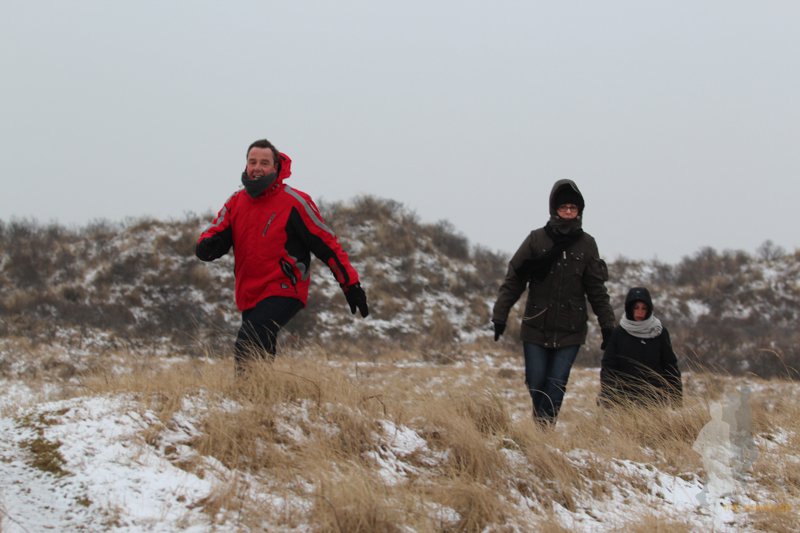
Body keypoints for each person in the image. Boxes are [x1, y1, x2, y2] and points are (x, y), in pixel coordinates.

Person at [196, 139, 369, 373]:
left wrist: (350, 285)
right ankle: (263, 392)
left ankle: (244, 392)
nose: (257, 168)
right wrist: (207, 246)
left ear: (276, 167)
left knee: (248, 341)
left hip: (285, 287)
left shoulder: (295, 202)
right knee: (260, 353)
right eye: (252, 162)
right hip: (249, 291)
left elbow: (328, 245)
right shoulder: (236, 202)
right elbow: (215, 233)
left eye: (264, 163)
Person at [492, 179, 615, 427]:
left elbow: (597, 290)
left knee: (556, 383)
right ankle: (542, 424)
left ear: (579, 211)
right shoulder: (536, 240)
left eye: (573, 207)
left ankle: (544, 432)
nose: (569, 212)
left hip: (571, 330)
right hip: (536, 326)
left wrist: (607, 325)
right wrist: (500, 314)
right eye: (564, 207)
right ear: (554, 209)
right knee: (536, 381)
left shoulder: (587, 244)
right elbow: (515, 278)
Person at [598, 287, 682, 408]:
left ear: (649, 309)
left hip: (655, 400)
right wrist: (609, 395)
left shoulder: (659, 332)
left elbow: (670, 366)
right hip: (624, 399)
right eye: (636, 308)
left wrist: (676, 399)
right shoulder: (618, 333)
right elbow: (609, 366)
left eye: (644, 308)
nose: (640, 312)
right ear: (629, 309)